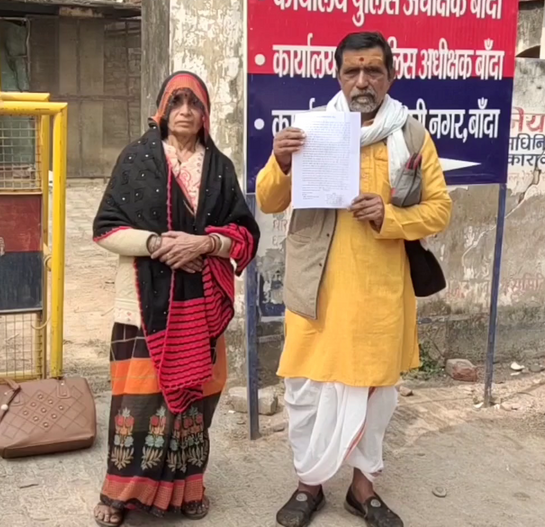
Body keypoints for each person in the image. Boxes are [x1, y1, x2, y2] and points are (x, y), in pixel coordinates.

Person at [257, 31, 453, 527]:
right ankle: (309, 484)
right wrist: (281, 161)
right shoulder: (311, 131)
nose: (362, 81)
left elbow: (439, 210)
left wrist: (391, 215)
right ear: (338, 75)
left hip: (380, 294)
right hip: (317, 290)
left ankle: (362, 490)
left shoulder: (411, 135)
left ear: (392, 75)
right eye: (352, 71)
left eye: (373, 71)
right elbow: (269, 200)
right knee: (307, 391)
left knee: (376, 395)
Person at [91, 70, 260, 526]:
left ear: (206, 115)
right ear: (162, 110)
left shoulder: (219, 167)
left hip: (201, 306)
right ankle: (121, 494)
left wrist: (205, 244)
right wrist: (157, 245)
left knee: (199, 396)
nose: (186, 111)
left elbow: (244, 232)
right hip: (142, 306)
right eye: (177, 102)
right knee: (138, 400)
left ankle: (188, 489)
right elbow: (105, 229)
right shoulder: (137, 158)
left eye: (195, 103)